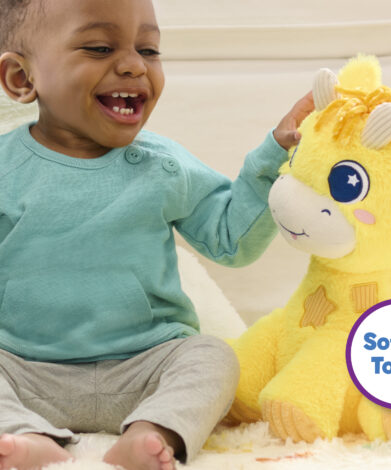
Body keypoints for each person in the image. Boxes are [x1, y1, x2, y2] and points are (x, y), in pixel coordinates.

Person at [0, 0, 314, 469]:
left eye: (148, 50)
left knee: (213, 355)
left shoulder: (163, 165)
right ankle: (24, 437)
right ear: (21, 78)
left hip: (146, 367)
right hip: (23, 370)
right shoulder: (6, 166)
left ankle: (153, 430)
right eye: (100, 47)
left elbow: (231, 239)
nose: (133, 65)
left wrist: (272, 157)